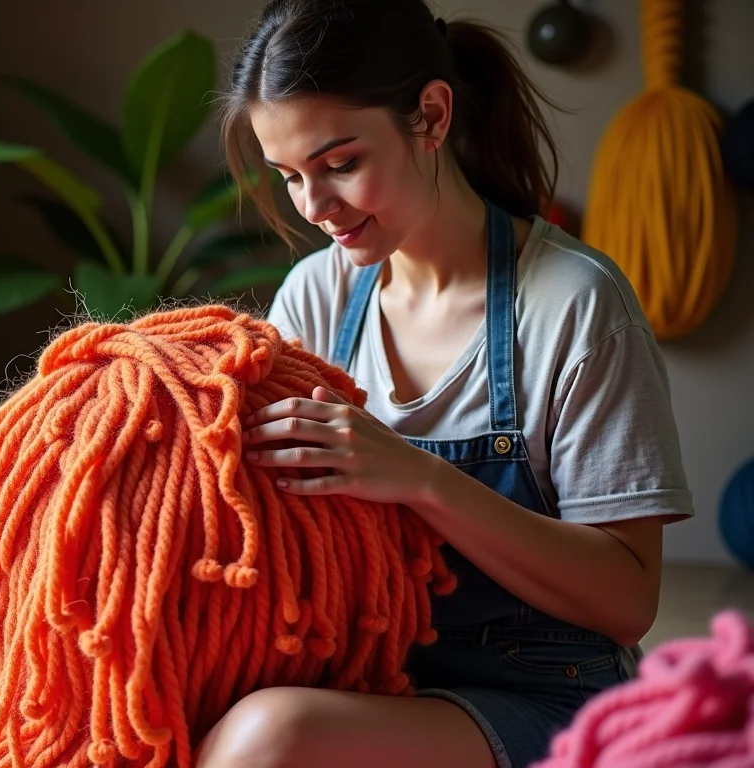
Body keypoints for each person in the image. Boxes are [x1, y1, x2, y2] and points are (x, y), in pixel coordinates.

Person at [195, 1, 695, 766]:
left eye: (341, 164)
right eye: (291, 177)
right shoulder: (315, 296)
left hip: (547, 690)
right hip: (370, 675)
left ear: (430, 116)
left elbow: (628, 603)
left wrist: (420, 479)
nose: (315, 208)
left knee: (274, 739)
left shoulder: (574, 304)